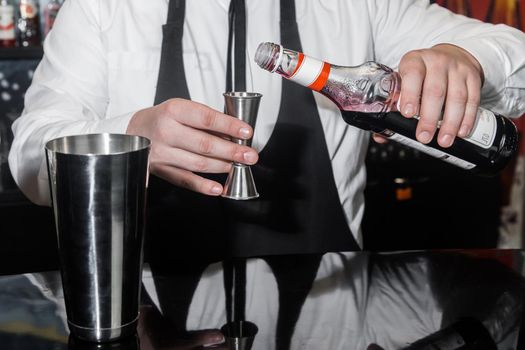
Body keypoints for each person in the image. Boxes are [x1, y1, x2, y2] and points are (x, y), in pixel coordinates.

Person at [7, 0, 525, 338]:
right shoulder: (104, 7)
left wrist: (461, 57)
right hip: (139, 312)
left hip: (338, 303)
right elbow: (31, 156)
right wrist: (128, 137)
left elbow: (515, 58)